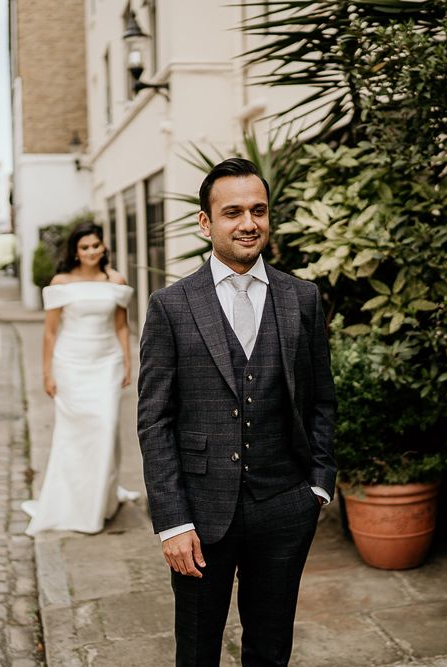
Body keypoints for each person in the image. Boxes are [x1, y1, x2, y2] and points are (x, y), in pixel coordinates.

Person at [137, 158, 337, 667]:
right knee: (198, 649)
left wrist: (317, 483)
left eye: (258, 210)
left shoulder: (303, 298)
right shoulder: (172, 305)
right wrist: (172, 521)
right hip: (201, 515)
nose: (248, 223)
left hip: (285, 504)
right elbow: (155, 419)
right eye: (232, 212)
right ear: (206, 223)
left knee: (271, 648)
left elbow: (320, 400)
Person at [22, 222, 139, 536]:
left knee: (104, 426)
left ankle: (102, 502)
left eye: (96, 245)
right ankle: (74, 503)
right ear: (76, 251)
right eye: (84, 247)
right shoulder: (62, 282)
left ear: (103, 247)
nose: (91, 251)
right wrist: (46, 373)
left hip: (107, 362)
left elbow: (121, 326)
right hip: (71, 363)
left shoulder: (116, 280)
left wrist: (128, 362)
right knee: (75, 436)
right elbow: (49, 333)